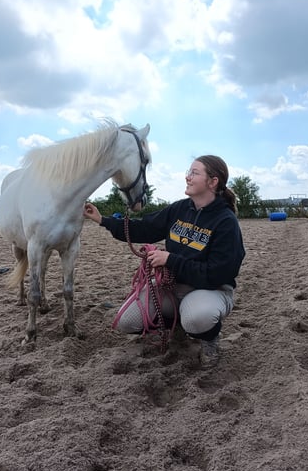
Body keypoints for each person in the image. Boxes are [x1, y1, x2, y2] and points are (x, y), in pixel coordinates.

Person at [83, 155, 245, 368]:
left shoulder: (226, 222)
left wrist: (170, 260)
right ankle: (176, 325)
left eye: (195, 173)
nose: (187, 177)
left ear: (213, 182)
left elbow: (219, 273)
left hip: (209, 290)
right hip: (172, 287)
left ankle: (209, 339)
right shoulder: (179, 209)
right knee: (127, 321)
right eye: (189, 171)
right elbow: (145, 227)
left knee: (197, 318)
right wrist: (103, 220)